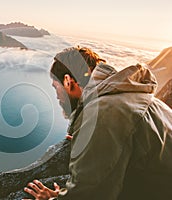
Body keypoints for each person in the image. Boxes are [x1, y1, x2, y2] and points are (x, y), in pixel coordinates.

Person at [24, 46, 172, 200]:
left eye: (56, 87)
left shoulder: (104, 112)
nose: (57, 96)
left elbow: (89, 194)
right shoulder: (132, 96)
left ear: (68, 81)